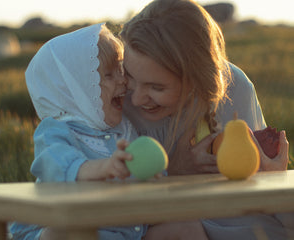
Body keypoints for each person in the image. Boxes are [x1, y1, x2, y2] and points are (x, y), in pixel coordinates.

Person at [119, 0, 290, 239]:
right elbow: (109, 201)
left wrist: (271, 175)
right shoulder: (115, 96)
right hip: (158, 223)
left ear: (197, 80)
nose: (136, 98)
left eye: (156, 87)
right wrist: (173, 171)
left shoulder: (235, 86)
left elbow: (251, 180)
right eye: (129, 76)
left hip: (231, 218)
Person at [9, 23, 148, 240]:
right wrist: (105, 167)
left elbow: (141, 171)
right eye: (109, 75)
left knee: (184, 228)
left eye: (121, 70)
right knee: (63, 234)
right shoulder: (56, 131)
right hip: (62, 223)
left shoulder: (126, 129)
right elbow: (58, 165)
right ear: (75, 90)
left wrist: (151, 172)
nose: (123, 80)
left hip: (122, 229)